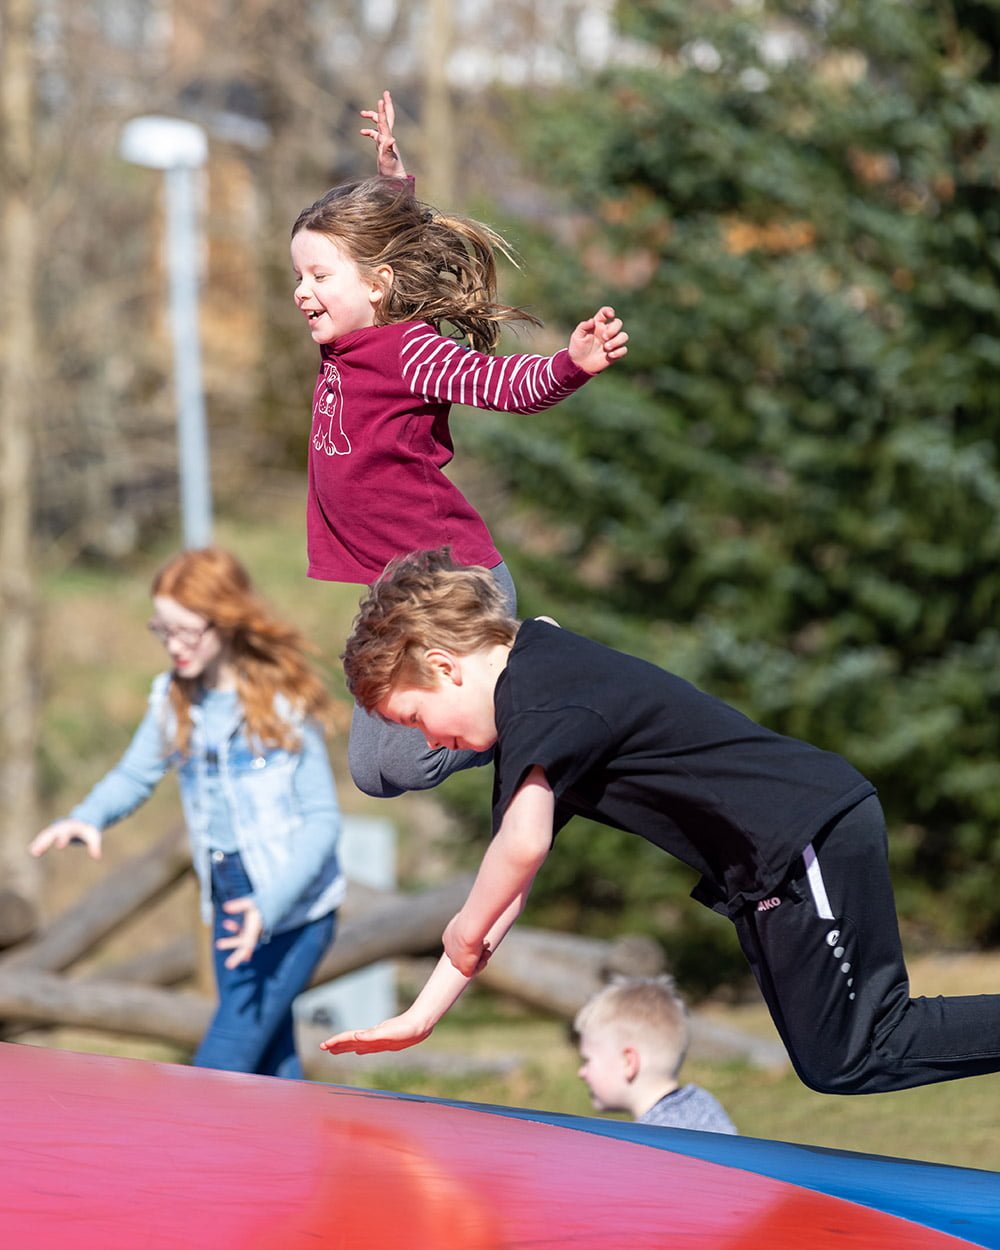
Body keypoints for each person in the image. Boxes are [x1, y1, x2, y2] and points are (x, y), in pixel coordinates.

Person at [320, 548, 1000, 1097]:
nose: (430, 743)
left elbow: (520, 849)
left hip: (804, 835)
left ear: (444, 667)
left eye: (415, 719)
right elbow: (513, 884)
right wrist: (424, 1011)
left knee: (867, 1045)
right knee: (835, 1063)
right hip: (771, 862)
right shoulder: (537, 701)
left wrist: (461, 927)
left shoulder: (541, 701)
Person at [291, 90, 628, 799]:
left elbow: (505, 385)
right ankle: (521, 679)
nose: (302, 291)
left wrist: (572, 365)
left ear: (376, 287)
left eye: (319, 276)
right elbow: (387, 252)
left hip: (454, 585)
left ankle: (533, 662)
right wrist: (393, 188)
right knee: (372, 774)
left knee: (410, 762)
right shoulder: (344, 341)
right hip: (392, 589)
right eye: (299, 275)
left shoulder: (409, 351)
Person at [29, 547, 343, 1080]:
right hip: (226, 896)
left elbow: (322, 821)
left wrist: (269, 905)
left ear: (224, 620)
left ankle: (178, 1159)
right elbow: (134, 774)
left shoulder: (281, 702)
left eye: (186, 632)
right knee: (269, 1056)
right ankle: (288, 1159)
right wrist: (89, 815)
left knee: (225, 1059)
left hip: (293, 908)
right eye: (162, 631)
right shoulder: (172, 700)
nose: (173, 646)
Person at [574, 976, 737, 1134]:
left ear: (628, 1062)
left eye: (587, 1060)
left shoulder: (649, 1141)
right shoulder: (704, 1104)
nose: (581, 1073)